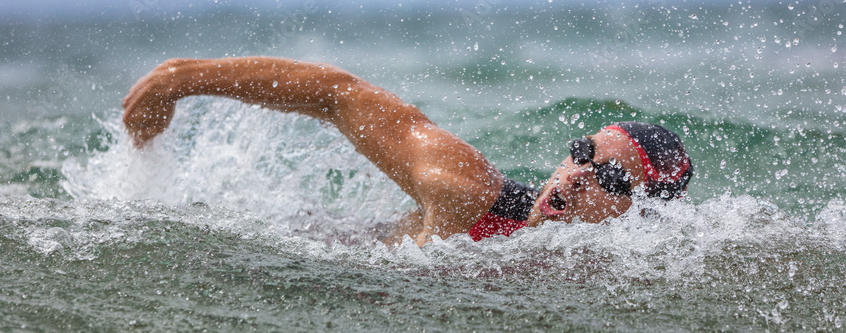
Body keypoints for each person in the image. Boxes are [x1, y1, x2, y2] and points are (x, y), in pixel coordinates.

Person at [122, 56, 693, 246]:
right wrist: (182, 78)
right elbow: (341, 97)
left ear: (645, 212)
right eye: (581, 152)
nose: (575, 178)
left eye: (613, 180)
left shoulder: (640, 270)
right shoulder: (467, 193)